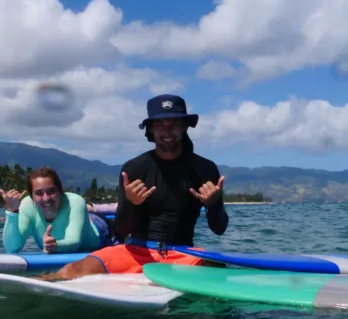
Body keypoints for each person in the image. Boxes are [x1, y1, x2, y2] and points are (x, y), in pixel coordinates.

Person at [39, 94, 228, 280]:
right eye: (160, 124)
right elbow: (121, 230)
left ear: (185, 126)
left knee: (219, 270)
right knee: (71, 271)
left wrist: (212, 204)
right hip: (136, 251)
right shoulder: (134, 168)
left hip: (183, 253)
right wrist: (131, 203)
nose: (167, 131)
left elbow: (219, 229)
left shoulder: (204, 169)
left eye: (174, 124)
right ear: (150, 130)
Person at [0, 167, 109, 254]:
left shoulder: (76, 201)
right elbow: (12, 248)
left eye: (51, 191)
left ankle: (96, 209)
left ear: (60, 191)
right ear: (32, 197)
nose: (46, 198)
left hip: (100, 232)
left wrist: (55, 246)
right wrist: (12, 211)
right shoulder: (27, 205)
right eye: (39, 193)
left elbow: (75, 242)